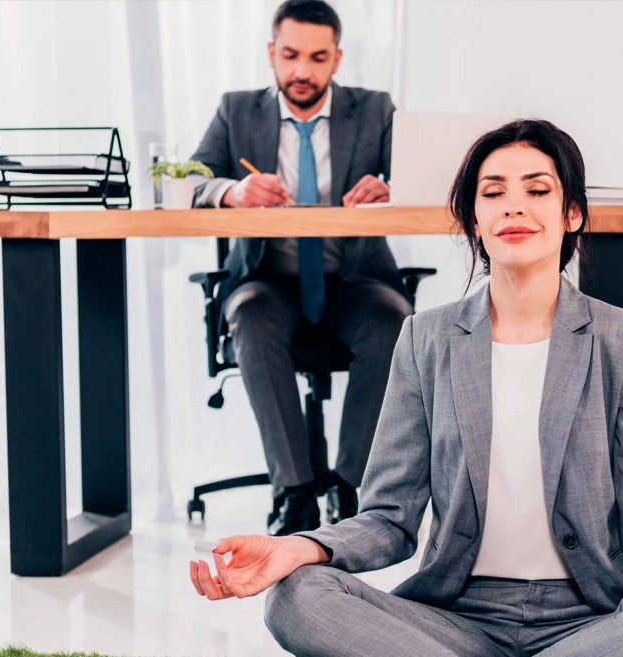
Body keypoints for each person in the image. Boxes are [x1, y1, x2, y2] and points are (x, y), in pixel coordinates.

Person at [190, 119, 623, 656]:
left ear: (571, 215)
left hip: (591, 615)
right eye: (492, 192)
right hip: (455, 619)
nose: (514, 204)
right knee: (296, 596)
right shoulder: (425, 338)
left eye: (538, 190)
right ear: (472, 219)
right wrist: (299, 547)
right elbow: (389, 518)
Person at [189, 0, 411, 535]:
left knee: (393, 319)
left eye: (317, 57)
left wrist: (391, 188)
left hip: (355, 279)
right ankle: (294, 493)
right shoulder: (237, 110)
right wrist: (232, 190)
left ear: (337, 58)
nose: (302, 71)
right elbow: (193, 183)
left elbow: (429, 179)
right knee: (249, 312)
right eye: (290, 56)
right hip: (268, 280)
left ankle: (350, 487)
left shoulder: (375, 109)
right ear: (272, 53)